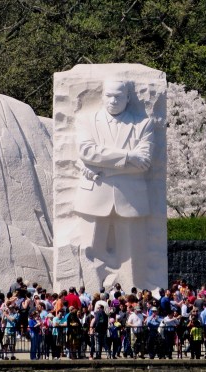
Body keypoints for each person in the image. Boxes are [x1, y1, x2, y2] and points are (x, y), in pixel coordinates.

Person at [74, 79, 155, 289]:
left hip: (130, 197)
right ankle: (91, 294)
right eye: (109, 95)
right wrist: (128, 156)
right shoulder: (86, 120)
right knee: (89, 249)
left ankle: (131, 294)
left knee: (130, 253)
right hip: (94, 195)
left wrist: (101, 166)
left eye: (118, 96)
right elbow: (86, 151)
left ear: (128, 98)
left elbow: (144, 162)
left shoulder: (143, 124)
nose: (113, 100)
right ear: (102, 96)